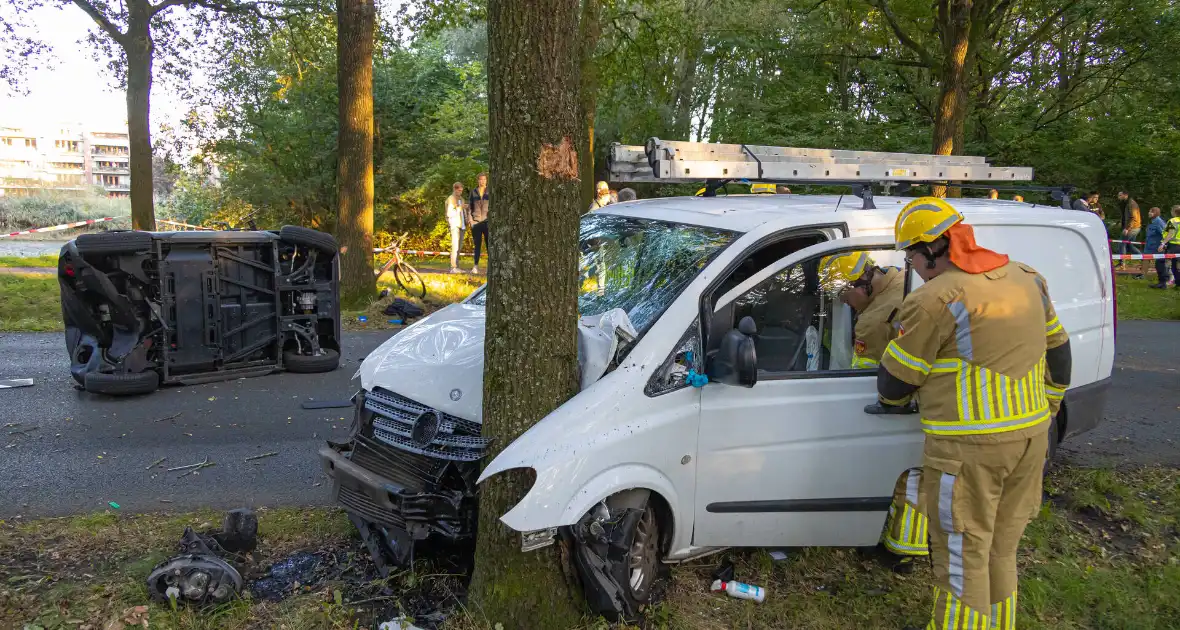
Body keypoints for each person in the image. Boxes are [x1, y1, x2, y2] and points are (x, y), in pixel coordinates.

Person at [867, 197, 1071, 630]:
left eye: (912, 255)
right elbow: (1060, 348)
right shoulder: (1027, 278)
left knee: (963, 554)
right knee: (1000, 547)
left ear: (936, 248)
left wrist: (893, 402)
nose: (912, 265)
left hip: (968, 453)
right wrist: (1050, 405)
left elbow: (895, 383)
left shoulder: (935, 298)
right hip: (1031, 439)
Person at [821, 251, 927, 569]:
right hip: (926, 397)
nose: (845, 303)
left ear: (861, 283)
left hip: (906, 404)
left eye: (843, 295)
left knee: (906, 478)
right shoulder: (900, 277)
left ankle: (902, 551)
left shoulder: (873, 320)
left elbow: (861, 381)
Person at [467, 172, 490, 274]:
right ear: (478, 181)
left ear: (486, 180)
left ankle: (491, 267)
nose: (482, 181)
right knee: (477, 245)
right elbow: (469, 208)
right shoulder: (473, 192)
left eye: (484, 179)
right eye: (480, 179)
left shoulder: (490, 191)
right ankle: (475, 266)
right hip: (476, 222)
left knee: (489, 245)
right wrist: (470, 220)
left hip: (487, 222)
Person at [1116, 191, 1142, 271]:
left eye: (1120, 195)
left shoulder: (1131, 204)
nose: (1118, 197)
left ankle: (1122, 264)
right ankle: (1145, 260)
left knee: (1122, 243)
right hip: (1135, 227)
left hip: (1133, 228)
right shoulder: (1126, 203)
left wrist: (1127, 228)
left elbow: (1133, 217)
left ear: (1125, 195)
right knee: (1130, 246)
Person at [1145, 207, 1170, 288]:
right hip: (1152, 247)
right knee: (1158, 265)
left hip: (1159, 248)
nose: (1149, 213)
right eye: (1149, 211)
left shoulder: (1158, 222)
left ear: (1156, 213)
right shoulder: (1153, 222)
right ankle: (1162, 282)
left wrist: (1163, 244)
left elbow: (1166, 234)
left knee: (1160, 265)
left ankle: (1163, 283)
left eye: (1151, 212)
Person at [446, 182, 467, 274]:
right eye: (459, 190)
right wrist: (460, 208)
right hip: (455, 225)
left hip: (462, 225)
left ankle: (457, 267)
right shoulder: (451, 199)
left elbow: (463, 211)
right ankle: (453, 267)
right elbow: (449, 214)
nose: (460, 192)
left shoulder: (461, 199)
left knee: (459, 247)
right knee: (455, 247)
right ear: (454, 189)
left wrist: (466, 218)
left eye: (461, 190)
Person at [1157, 205, 1180, 289]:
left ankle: (1165, 282)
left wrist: (1163, 244)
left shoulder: (1172, 221)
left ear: (1174, 212)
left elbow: (1170, 234)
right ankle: (1177, 283)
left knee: (1167, 263)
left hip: (1173, 245)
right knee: (1177, 265)